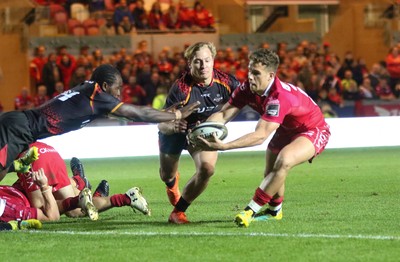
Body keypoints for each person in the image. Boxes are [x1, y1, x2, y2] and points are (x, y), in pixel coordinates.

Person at [196, 48, 330, 228]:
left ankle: (250, 210)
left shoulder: (279, 97)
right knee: (271, 173)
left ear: (271, 75)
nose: (250, 77)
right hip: (285, 128)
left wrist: (225, 146)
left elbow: (260, 135)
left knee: (284, 161)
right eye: (250, 71)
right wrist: (201, 130)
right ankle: (275, 211)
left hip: (312, 129)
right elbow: (224, 113)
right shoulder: (247, 88)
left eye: (256, 73)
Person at [0, 64, 200, 181]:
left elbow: (131, 114)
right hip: (18, 129)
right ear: (105, 86)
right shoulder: (98, 94)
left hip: (20, 126)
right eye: (117, 88)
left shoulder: (88, 90)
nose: (119, 94)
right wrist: (176, 116)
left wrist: (165, 115)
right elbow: (135, 112)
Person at [157, 42, 241, 224]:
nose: (203, 66)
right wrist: (173, 127)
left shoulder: (226, 82)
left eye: (207, 60)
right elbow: (161, 124)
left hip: (202, 131)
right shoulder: (181, 88)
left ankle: (178, 212)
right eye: (197, 61)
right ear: (190, 63)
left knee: (207, 169)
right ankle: (172, 183)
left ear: (213, 60)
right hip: (176, 131)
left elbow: (246, 98)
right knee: (166, 175)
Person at [14, 141, 151, 221]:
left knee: (43, 209)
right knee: (74, 207)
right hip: (48, 150)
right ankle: (125, 198)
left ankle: (79, 183)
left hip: (30, 157)